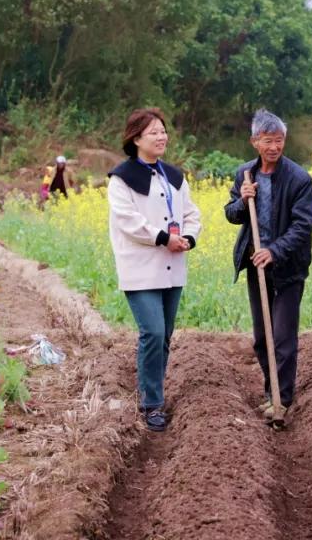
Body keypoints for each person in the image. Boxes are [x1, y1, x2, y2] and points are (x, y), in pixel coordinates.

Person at [107, 109, 201, 431]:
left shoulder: (174, 176)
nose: (162, 137)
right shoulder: (121, 179)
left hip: (172, 267)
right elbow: (128, 221)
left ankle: (153, 393)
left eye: (163, 131)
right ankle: (151, 404)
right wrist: (163, 238)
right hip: (140, 269)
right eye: (154, 133)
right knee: (153, 332)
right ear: (136, 139)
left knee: (165, 336)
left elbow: (191, 214)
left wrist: (188, 237)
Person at [225, 109, 312, 422]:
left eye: (279, 140)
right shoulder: (245, 174)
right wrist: (242, 200)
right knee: (262, 337)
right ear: (255, 141)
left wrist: (274, 251)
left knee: (283, 337)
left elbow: (303, 226)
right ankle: (271, 391)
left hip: (288, 267)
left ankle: (282, 399)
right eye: (267, 141)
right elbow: (231, 214)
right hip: (256, 265)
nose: (274, 147)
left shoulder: (299, 179)